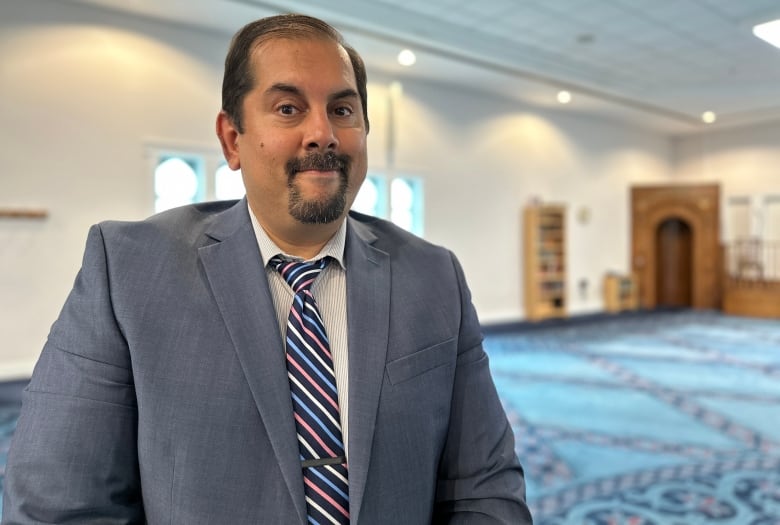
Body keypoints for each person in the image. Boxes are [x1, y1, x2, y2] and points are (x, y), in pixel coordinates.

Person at [2, 13, 532, 525]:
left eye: (343, 111)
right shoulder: (128, 269)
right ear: (232, 139)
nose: (322, 133)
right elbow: (61, 504)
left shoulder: (433, 275)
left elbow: (485, 487)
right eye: (287, 109)